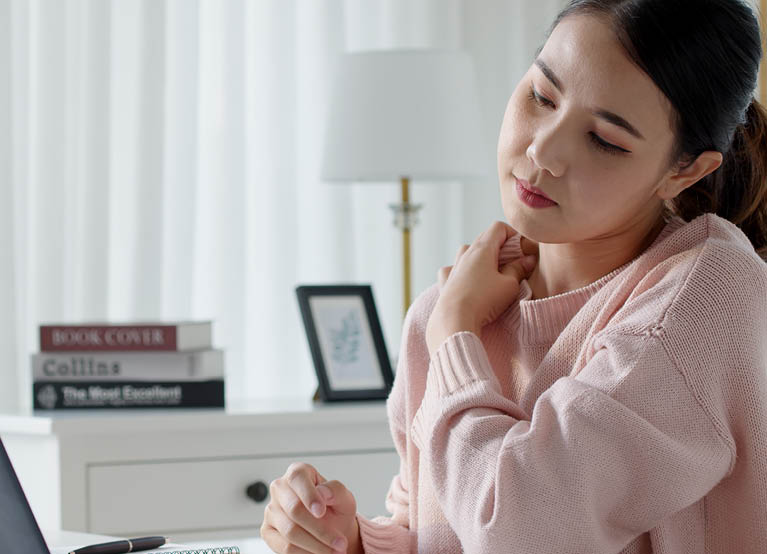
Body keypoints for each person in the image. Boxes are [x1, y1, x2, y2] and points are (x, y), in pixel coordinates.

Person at [260, 0, 767, 552]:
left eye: (605, 140)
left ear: (684, 170)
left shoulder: (707, 293)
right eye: (542, 96)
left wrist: (456, 335)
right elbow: (438, 532)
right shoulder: (443, 309)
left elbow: (519, 532)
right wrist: (347, 541)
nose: (542, 150)